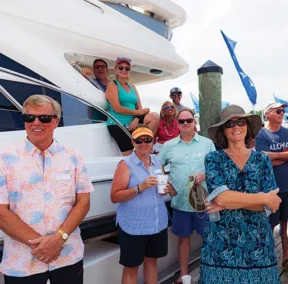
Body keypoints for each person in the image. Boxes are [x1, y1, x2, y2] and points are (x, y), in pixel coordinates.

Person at [0, 95, 94, 283]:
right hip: (23, 261)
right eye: (29, 117)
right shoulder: (4, 158)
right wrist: (42, 246)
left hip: (68, 255)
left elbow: (83, 202)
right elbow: (1, 211)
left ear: (56, 121)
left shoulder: (73, 156)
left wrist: (59, 238)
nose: (36, 123)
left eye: (44, 118)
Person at [198, 105, 281, 283]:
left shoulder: (262, 159)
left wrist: (228, 201)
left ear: (247, 126)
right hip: (222, 243)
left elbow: (272, 204)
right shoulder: (213, 158)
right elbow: (221, 197)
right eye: (229, 124)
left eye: (240, 122)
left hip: (258, 242)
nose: (235, 127)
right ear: (223, 131)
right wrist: (262, 197)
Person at [110, 125, 173, 284]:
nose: (143, 143)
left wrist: (167, 189)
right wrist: (140, 187)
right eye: (139, 140)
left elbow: (161, 190)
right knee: (131, 268)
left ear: (152, 142)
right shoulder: (125, 164)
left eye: (147, 139)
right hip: (133, 226)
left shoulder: (157, 162)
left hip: (156, 224)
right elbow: (115, 196)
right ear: (133, 142)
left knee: (152, 262)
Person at [159, 109, 215, 283]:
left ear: (194, 122)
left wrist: (204, 176)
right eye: (181, 121)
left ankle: (210, 272)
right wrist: (164, 185)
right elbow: (156, 165)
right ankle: (184, 275)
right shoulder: (168, 146)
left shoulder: (207, 143)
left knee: (209, 238)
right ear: (177, 123)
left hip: (203, 202)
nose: (185, 124)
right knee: (183, 240)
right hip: (180, 202)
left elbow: (216, 168)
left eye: (188, 120)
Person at [255, 102, 288, 278]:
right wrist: (285, 154)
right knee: (269, 226)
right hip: (270, 190)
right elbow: (262, 161)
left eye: (283, 110)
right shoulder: (261, 135)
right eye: (279, 111)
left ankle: (287, 259)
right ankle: (268, 259)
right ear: (268, 114)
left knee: (287, 225)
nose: (283, 113)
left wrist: (274, 155)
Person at [105, 57, 159, 156]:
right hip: (118, 123)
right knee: (129, 156)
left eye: (127, 68)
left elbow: (140, 108)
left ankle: (145, 145)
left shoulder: (132, 87)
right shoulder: (112, 85)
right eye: (121, 68)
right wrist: (137, 113)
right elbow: (117, 108)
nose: (124, 70)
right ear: (116, 70)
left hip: (133, 122)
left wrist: (137, 119)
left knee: (155, 116)